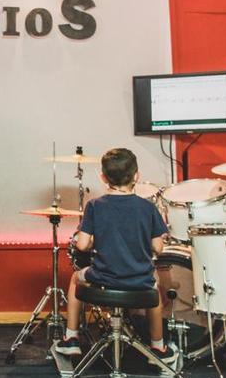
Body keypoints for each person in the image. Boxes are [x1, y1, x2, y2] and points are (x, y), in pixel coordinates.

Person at [54, 148, 176, 364]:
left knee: (75, 278)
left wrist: (96, 239)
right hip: (140, 280)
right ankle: (158, 347)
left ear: (103, 178)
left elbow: (82, 245)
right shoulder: (147, 208)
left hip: (103, 278)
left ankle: (71, 338)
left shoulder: (94, 206)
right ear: (136, 176)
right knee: (154, 287)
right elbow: (158, 248)